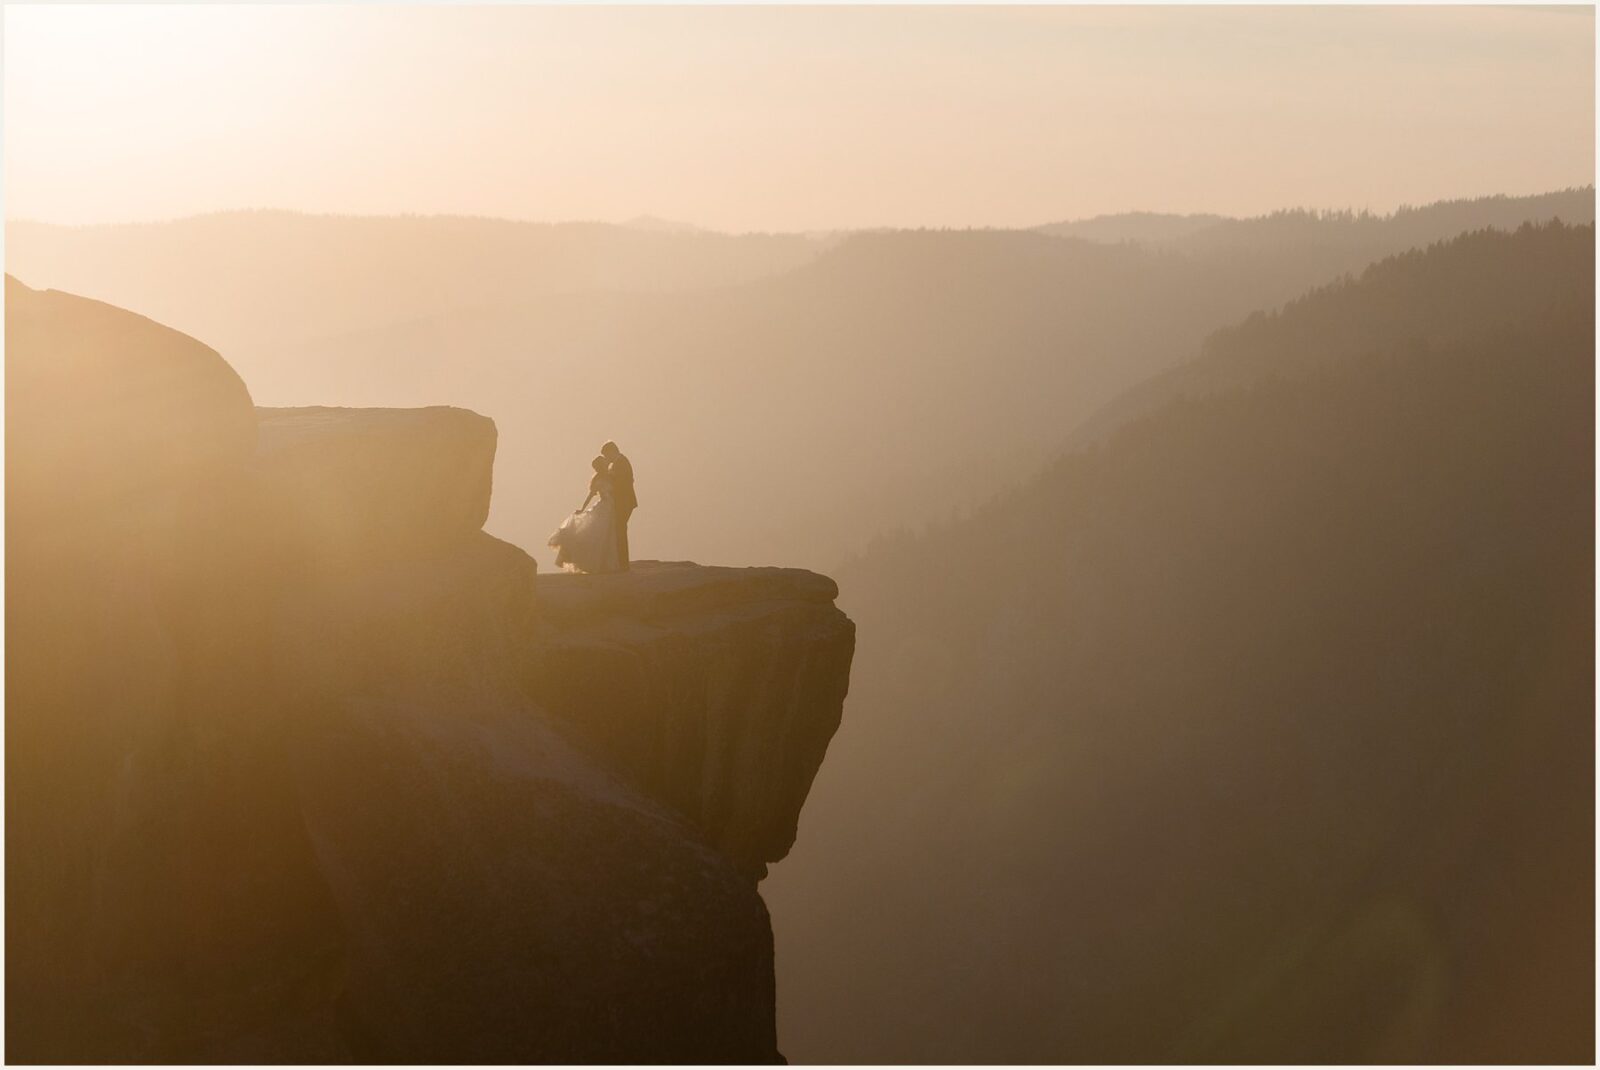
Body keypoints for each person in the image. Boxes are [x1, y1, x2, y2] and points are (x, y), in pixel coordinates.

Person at [547, 456, 621, 573]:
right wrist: (582, 508)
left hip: (610, 507)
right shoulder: (599, 480)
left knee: (606, 535)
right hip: (604, 508)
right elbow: (590, 496)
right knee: (599, 534)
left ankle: (604, 563)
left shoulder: (610, 476)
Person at [601, 440, 637, 572]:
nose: (606, 458)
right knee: (619, 531)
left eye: (606, 455)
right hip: (623, 502)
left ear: (611, 451)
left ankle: (623, 563)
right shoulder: (619, 462)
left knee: (620, 531)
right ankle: (622, 562)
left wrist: (609, 477)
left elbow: (623, 482)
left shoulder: (621, 462)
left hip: (624, 502)